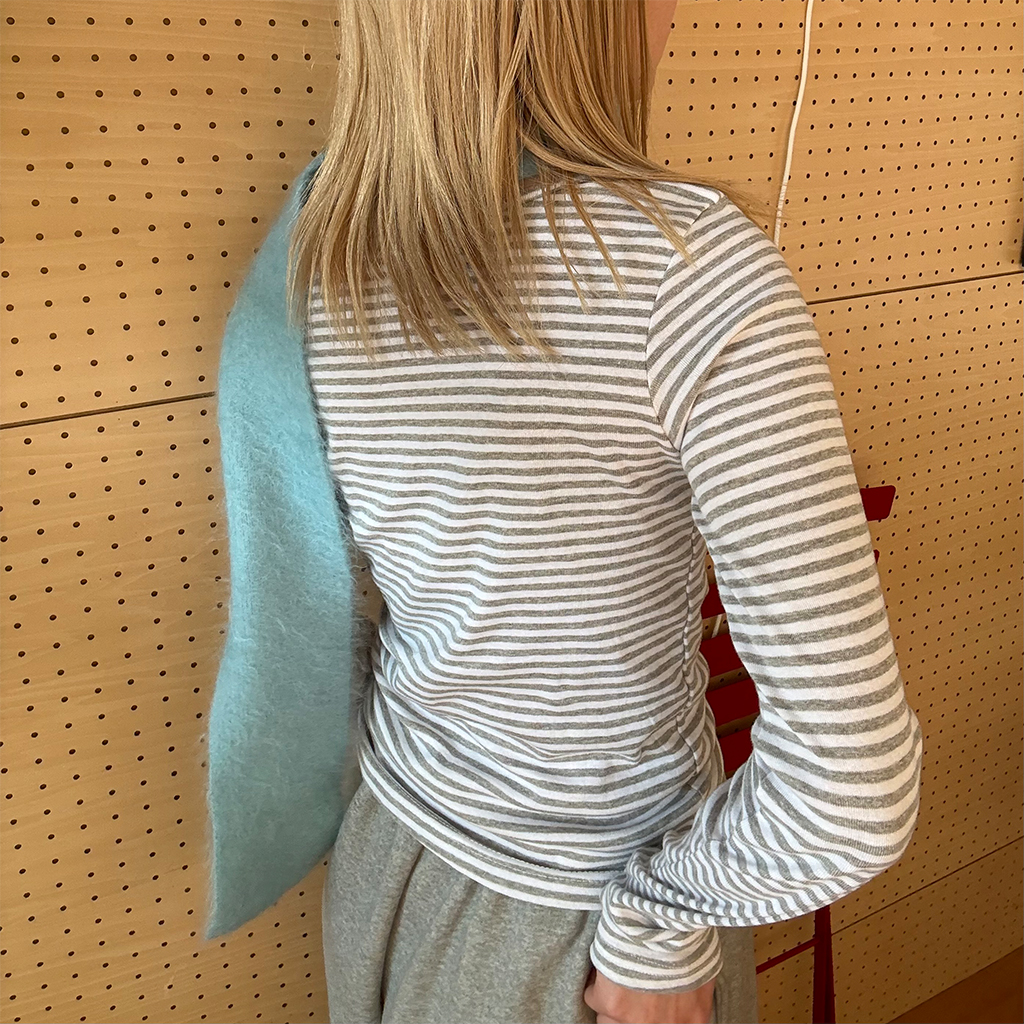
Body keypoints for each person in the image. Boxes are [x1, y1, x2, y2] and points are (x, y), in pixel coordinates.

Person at [257, 2, 925, 1022]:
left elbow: (335, 620)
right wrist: (661, 924)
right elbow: (852, 793)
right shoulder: (688, 271)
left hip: (387, 860)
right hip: (594, 927)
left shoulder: (324, 248)